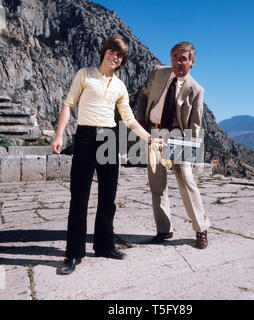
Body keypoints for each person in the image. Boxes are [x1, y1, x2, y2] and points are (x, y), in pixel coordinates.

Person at [51, 35, 156, 275]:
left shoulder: (120, 86)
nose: (114, 56)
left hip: (109, 139)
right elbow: (68, 105)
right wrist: (58, 136)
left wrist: (149, 138)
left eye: (119, 55)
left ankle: (104, 246)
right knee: (79, 198)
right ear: (104, 51)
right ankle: (73, 254)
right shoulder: (84, 74)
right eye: (112, 51)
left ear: (121, 62)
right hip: (86, 137)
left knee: (108, 198)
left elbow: (128, 120)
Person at [136, 41, 211, 249]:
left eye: (183, 58)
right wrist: (141, 123)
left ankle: (201, 229)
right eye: (175, 57)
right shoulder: (158, 73)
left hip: (179, 136)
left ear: (192, 62)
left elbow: (195, 124)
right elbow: (142, 95)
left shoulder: (196, 89)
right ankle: (164, 229)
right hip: (154, 132)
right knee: (157, 184)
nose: (178, 62)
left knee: (186, 180)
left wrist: (194, 153)